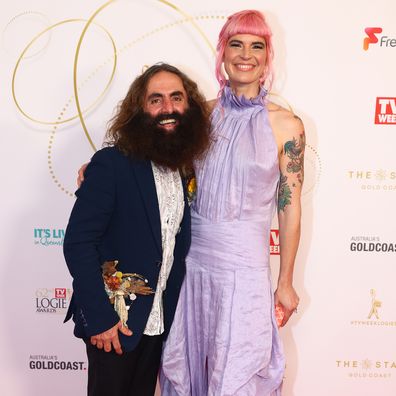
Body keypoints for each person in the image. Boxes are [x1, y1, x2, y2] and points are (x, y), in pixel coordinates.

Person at [160, 10, 304, 396]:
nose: (246, 54)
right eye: (236, 44)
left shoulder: (287, 125)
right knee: (190, 370)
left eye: (256, 45)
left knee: (239, 371)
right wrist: (102, 164)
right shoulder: (198, 115)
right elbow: (153, 159)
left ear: (268, 56)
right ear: (222, 53)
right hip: (191, 267)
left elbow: (289, 208)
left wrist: (286, 281)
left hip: (245, 274)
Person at [63, 63, 211, 396]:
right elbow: (77, 243)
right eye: (155, 99)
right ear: (139, 109)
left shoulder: (185, 168)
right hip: (113, 321)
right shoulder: (112, 163)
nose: (168, 108)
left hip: (157, 323)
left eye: (176, 97)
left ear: (189, 105)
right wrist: (100, 318)